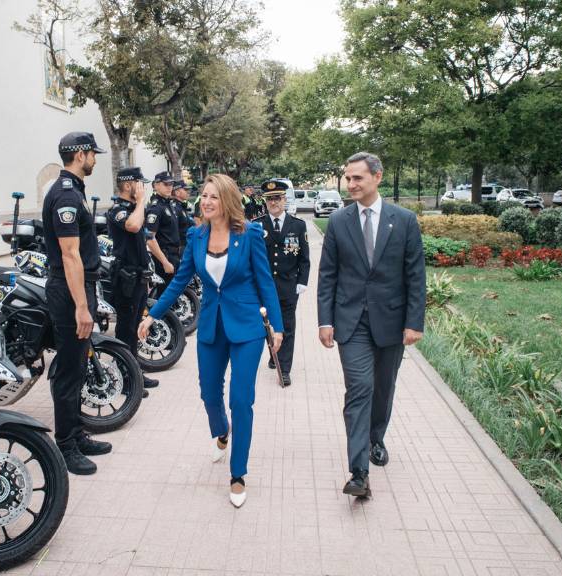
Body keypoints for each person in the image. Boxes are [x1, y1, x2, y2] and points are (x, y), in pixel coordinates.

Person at [137, 174, 283, 508]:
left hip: (246, 329)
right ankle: (221, 432)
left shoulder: (249, 236)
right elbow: (179, 281)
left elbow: (266, 283)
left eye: (214, 197)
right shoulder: (197, 235)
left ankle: (238, 474)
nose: (206, 201)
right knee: (208, 392)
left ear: (228, 200)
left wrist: (277, 326)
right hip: (211, 327)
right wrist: (153, 314)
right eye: (203, 195)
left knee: (241, 400)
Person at [317, 152, 426, 498]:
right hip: (351, 324)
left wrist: (414, 322)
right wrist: (325, 320)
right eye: (348, 178)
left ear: (377, 177)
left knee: (383, 388)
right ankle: (359, 471)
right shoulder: (338, 221)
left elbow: (415, 276)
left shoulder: (404, 220)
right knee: (359, 388)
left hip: (392, 322)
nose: (350, 184)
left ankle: (376, 436)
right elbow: (328, 276)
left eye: (357, 178)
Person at [43, 131, 112, 475]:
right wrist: (81, 306)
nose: (95, 159)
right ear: (81, 154)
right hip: (70, 289)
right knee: (69, 372)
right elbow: (70, 255)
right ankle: (66, 446)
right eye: (93, 154)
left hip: (78, 286)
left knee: (80, 365)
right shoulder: (66, 195)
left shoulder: (74, 191)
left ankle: (76, 433)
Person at [107, 167, 160, 392]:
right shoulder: (118, 210)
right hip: (125, 278)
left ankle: (135, 372)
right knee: (125, 329)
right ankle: (126, 379)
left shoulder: (134, 208)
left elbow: (141, 242)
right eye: (140, 184)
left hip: (138, 276)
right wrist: (140, 202)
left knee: (135, 328)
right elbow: (133, 226)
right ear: (128, 185)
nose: (143, 188)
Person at [255, 180, 310, 386]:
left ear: (284, 199)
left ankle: (284, 368)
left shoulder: (298, 225)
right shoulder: (257, 225)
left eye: (277, 198)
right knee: (265, 327)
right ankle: (273, 354)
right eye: (270, 199)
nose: (273, 202)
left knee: (287, 327)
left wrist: (302, 281)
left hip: (288, 286)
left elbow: (304, 258)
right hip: (263, 288)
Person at [146, 171, 181, 296]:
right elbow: (150, 239)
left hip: (174, 254)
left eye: (171, 184)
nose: (169, 187)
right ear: (156, 185)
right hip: (164, 256)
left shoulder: (168, 204)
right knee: (164, 295)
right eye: (166, 184)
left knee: (172, 295)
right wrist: (165, 262)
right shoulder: (155, 208)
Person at [172, 180, 194, 256]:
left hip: (188, 244)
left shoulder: (181, 206)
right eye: (185, 190)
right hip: (181, 247)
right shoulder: (175, 208)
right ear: (177, 192)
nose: (188, 192)